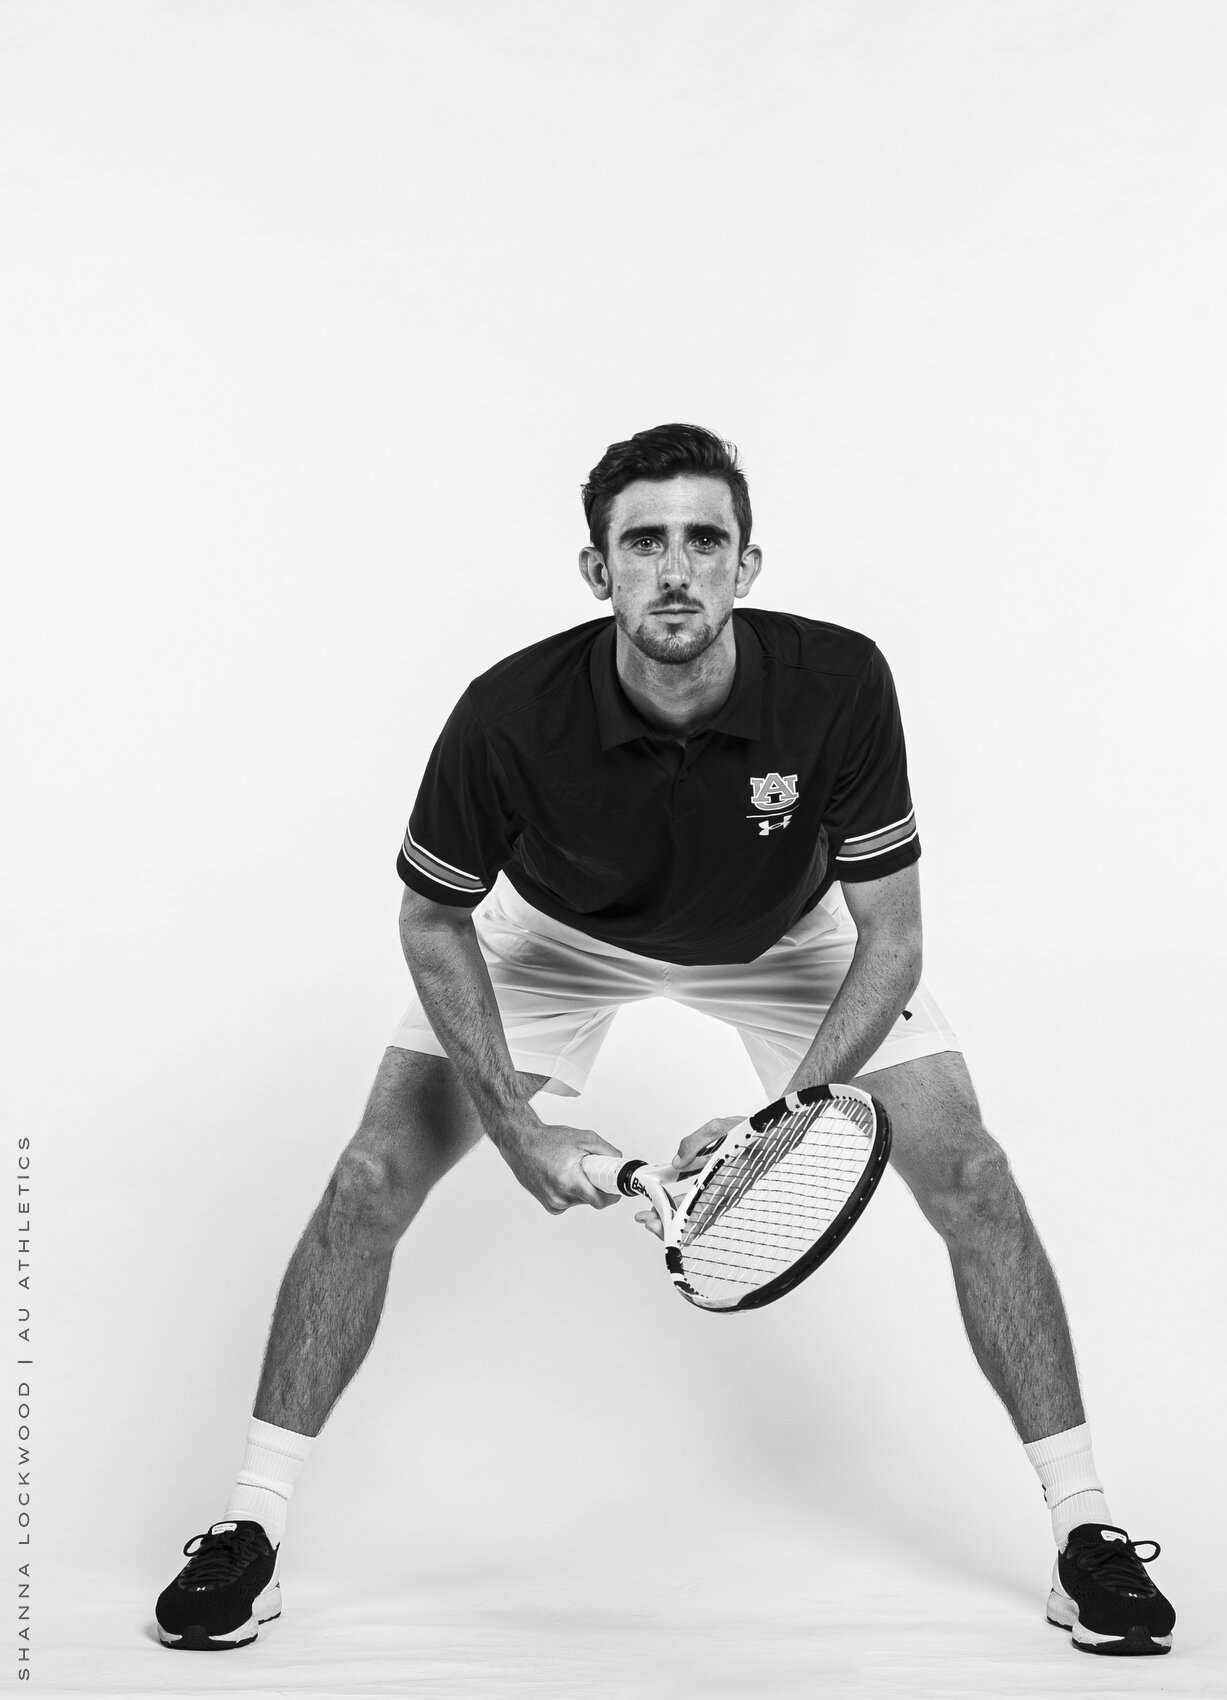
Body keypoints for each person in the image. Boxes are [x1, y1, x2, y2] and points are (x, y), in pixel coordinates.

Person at [155, 423, 1175, 1657]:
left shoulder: (840, 682)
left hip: (791, 942)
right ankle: (248, 1529)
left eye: (705, 538)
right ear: (600, 571)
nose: (676, 567)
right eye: (645, 541)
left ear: (747, 561)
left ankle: (1087, 1532)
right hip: (556, 937)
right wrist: (518, 1126)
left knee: (975, 1175)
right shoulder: (510, 714)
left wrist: (774, 1132)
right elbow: (434, 917)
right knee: (370, 1178)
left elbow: (891, 939)